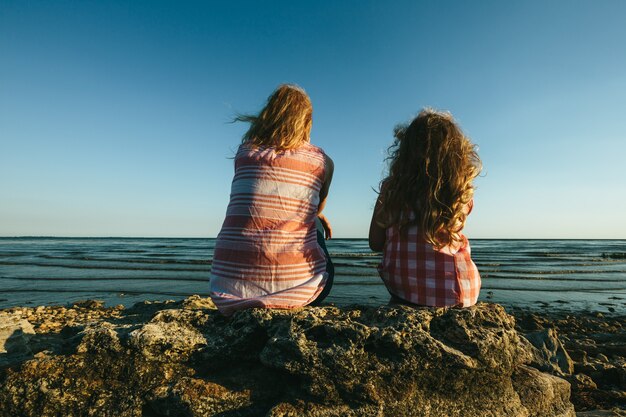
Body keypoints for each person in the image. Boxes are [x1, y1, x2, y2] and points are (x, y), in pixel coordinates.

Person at [210, 84, 334, 315]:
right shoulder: (322, 160)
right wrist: (318, 217)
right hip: (298, 291)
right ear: (307, 122)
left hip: (226, 290)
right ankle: (292, 287)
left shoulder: (245, 152)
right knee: (314, 225)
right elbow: (316, 206)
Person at [369, 108, 482, 307]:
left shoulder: (392, 188)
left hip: (404, 290)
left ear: (404, 153)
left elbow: (375, 242)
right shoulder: (461, 192)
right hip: (462, 292)